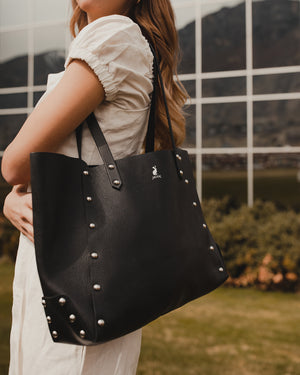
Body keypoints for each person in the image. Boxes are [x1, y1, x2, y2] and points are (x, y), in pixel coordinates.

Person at [1, 0, 187, 373]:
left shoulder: (113, 36)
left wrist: (14, 187)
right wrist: (13, 199)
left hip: (77, 272)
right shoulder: (129, 42)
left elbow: (16, 162)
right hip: (92, 271)